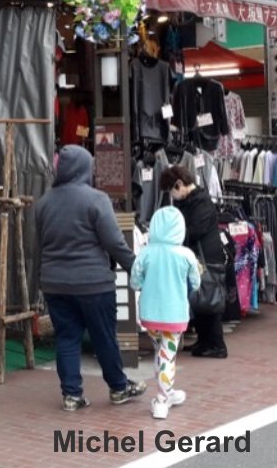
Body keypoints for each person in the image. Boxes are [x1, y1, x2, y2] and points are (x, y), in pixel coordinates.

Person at [36, 145, 146, 411]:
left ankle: (71, 395)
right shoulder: (96, 199)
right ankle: (119, 388)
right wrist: (135, 267)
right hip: (93, 283)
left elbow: (37, 245)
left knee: (67, 338)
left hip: (54, 282)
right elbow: (114, 242)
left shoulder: (43, 203)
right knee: (104, 337)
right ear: (85, 168)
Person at [131, 206, 200, 420]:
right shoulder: (186, 255)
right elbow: (196, 283)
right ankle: (162, 399)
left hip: (150, 315)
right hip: (174, 314)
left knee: (159, 353)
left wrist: (146, 284)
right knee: (168, 355)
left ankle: (167, 393)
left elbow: (134, 282)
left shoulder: (146, 252)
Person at [160, 164, 228, 358]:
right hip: (198, 257)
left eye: (172, 190)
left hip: (208, 258)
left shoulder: (201, 202)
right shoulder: (189, 201)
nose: (171, 196)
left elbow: (195, 230)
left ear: (180, 184)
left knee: (209, 300)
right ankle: (204, 340)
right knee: (198, 299)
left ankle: (217, 345)